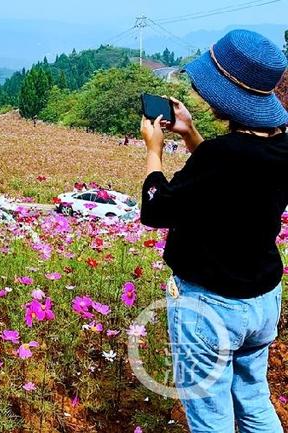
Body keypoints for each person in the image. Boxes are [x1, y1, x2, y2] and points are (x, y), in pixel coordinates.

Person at [140, 30, 287, 433]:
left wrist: (154, 151)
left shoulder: (223, 157)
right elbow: (231, 176)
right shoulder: (279, 148)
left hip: (212, 305)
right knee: (255, 400)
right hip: (262, 301)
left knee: (211, 418)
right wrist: (189, 134)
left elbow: (156, 209)